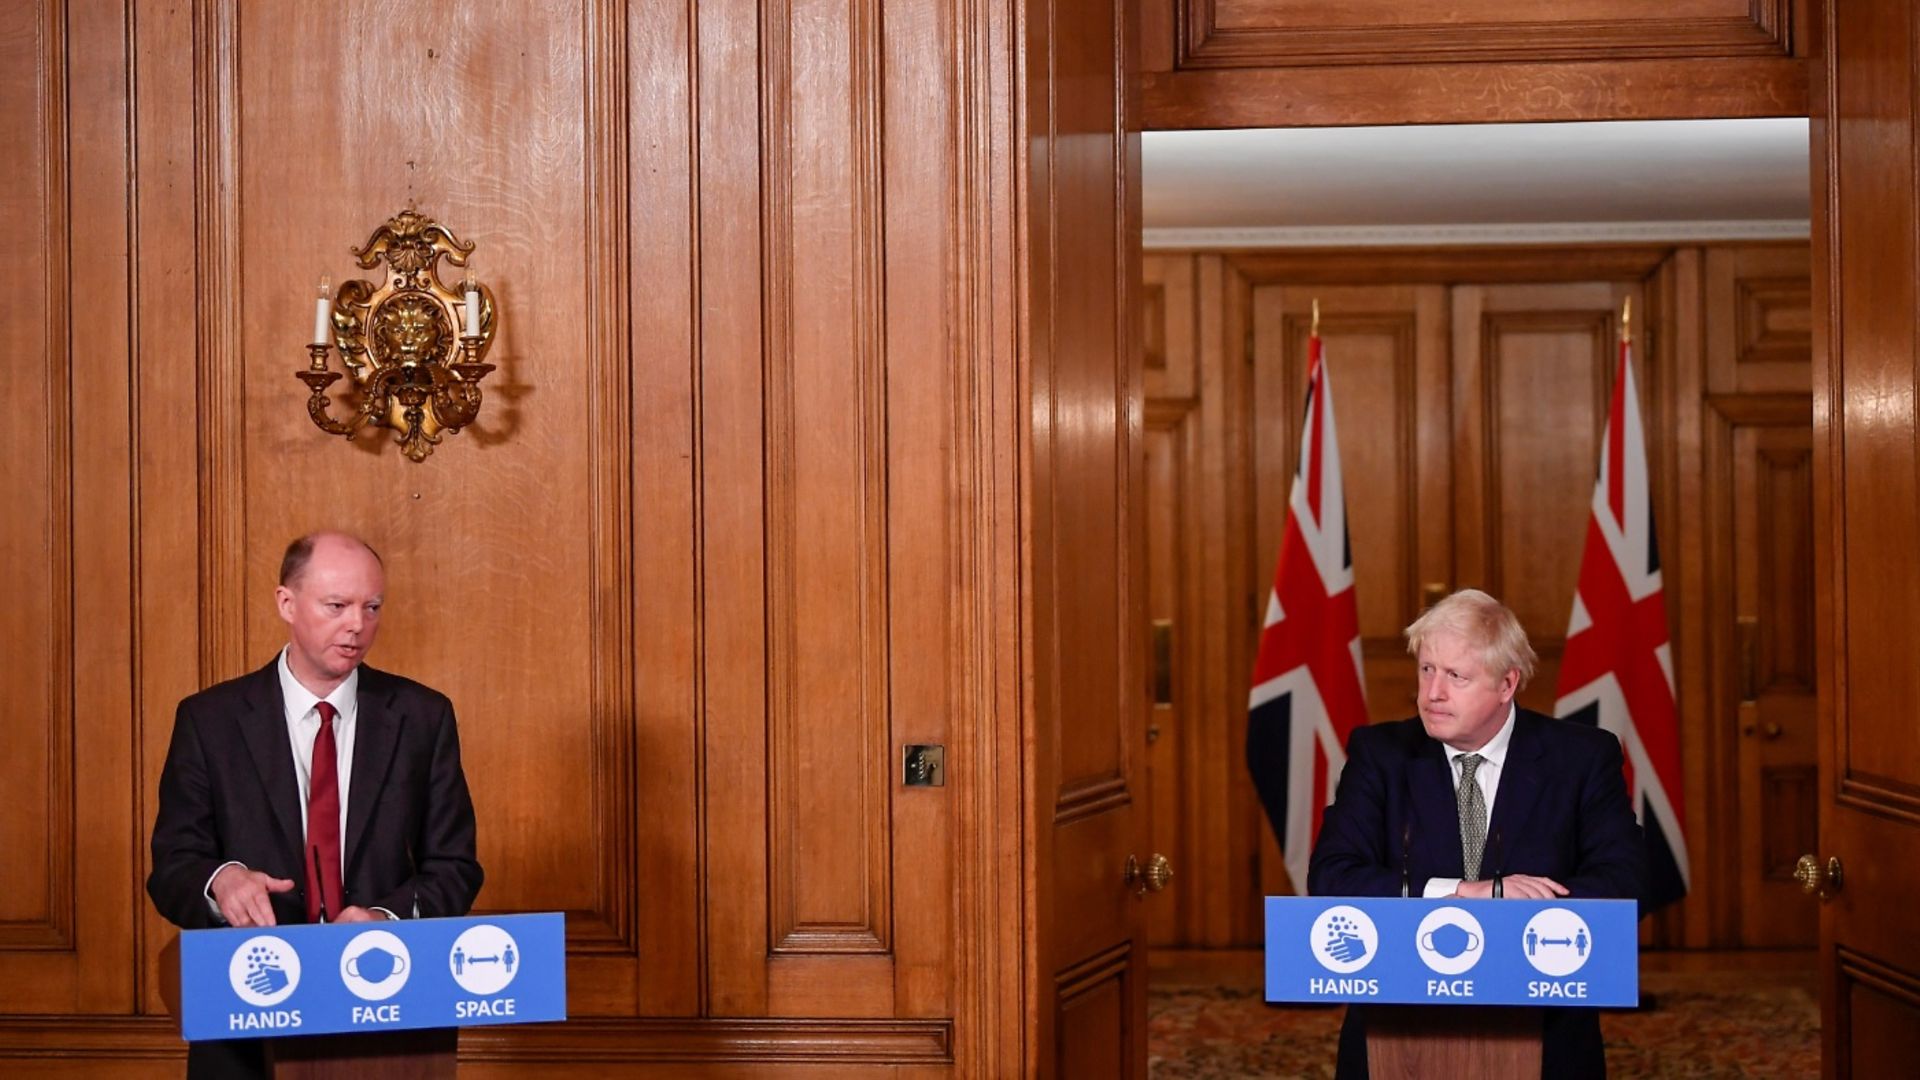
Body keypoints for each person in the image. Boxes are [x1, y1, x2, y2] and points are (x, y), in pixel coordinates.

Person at [147, 532, 483, 1078]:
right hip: (246, 1021)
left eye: (371, 607)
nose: (357, 624)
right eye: (337, 606)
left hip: (385, 1019)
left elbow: (456, 867)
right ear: (286, 603)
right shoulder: (209, 720)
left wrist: (385, 918)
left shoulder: (423, 717)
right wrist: (222, 881)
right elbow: (173, 867)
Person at [1307, 588, 1645, 1079]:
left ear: (1507, 685)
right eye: (1427, 670)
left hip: (1545, 1029)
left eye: (1456, 677)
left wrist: (1518, 909)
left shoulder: (1581, 758)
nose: (1432, 694)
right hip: (1399, 1032)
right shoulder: (1380, 755)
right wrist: (1464, 894)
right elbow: (1332, 878)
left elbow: (1624, 880)